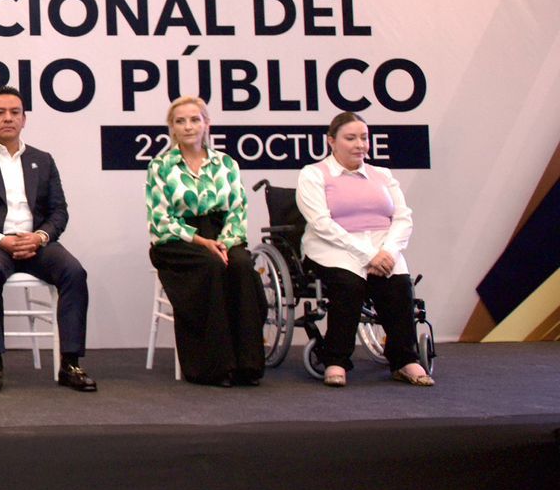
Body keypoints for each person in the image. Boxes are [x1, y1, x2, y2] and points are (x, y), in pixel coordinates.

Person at [0, 86, 96, 393]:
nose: (8, 118)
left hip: (34, 242)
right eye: (0, 113)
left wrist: (40, 237)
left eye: (15, 112)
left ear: (24, 119)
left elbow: (59, 211)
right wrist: (0, 240)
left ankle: (70, 363)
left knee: (74, 272)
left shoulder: (43, 159)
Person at [296, 112, 432, 387]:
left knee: (398, 284)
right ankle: (336, 360)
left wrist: (388, 251)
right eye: (351, 138)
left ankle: (404, 360)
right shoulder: (314, 174)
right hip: (332, 247)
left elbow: (403, 217)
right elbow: (321, 223)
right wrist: (368, 255)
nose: (360, 144)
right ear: (331, 141)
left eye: (364, 138)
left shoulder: (382, 174)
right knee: (349, 284)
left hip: (382, 246)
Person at [144, 96, 265, 387]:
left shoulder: (226, 163)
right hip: (177, 241)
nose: (188, 127)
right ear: (172, 128)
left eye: (194, 120)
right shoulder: (160, 166)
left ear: (206, 124)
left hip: (222, 235)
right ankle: (213, 367)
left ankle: (247, 364)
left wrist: (224, 242)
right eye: (180, 121)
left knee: (241, 266)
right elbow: (161, 220)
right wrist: (202, 241)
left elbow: (237, 210)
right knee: (211, 265)